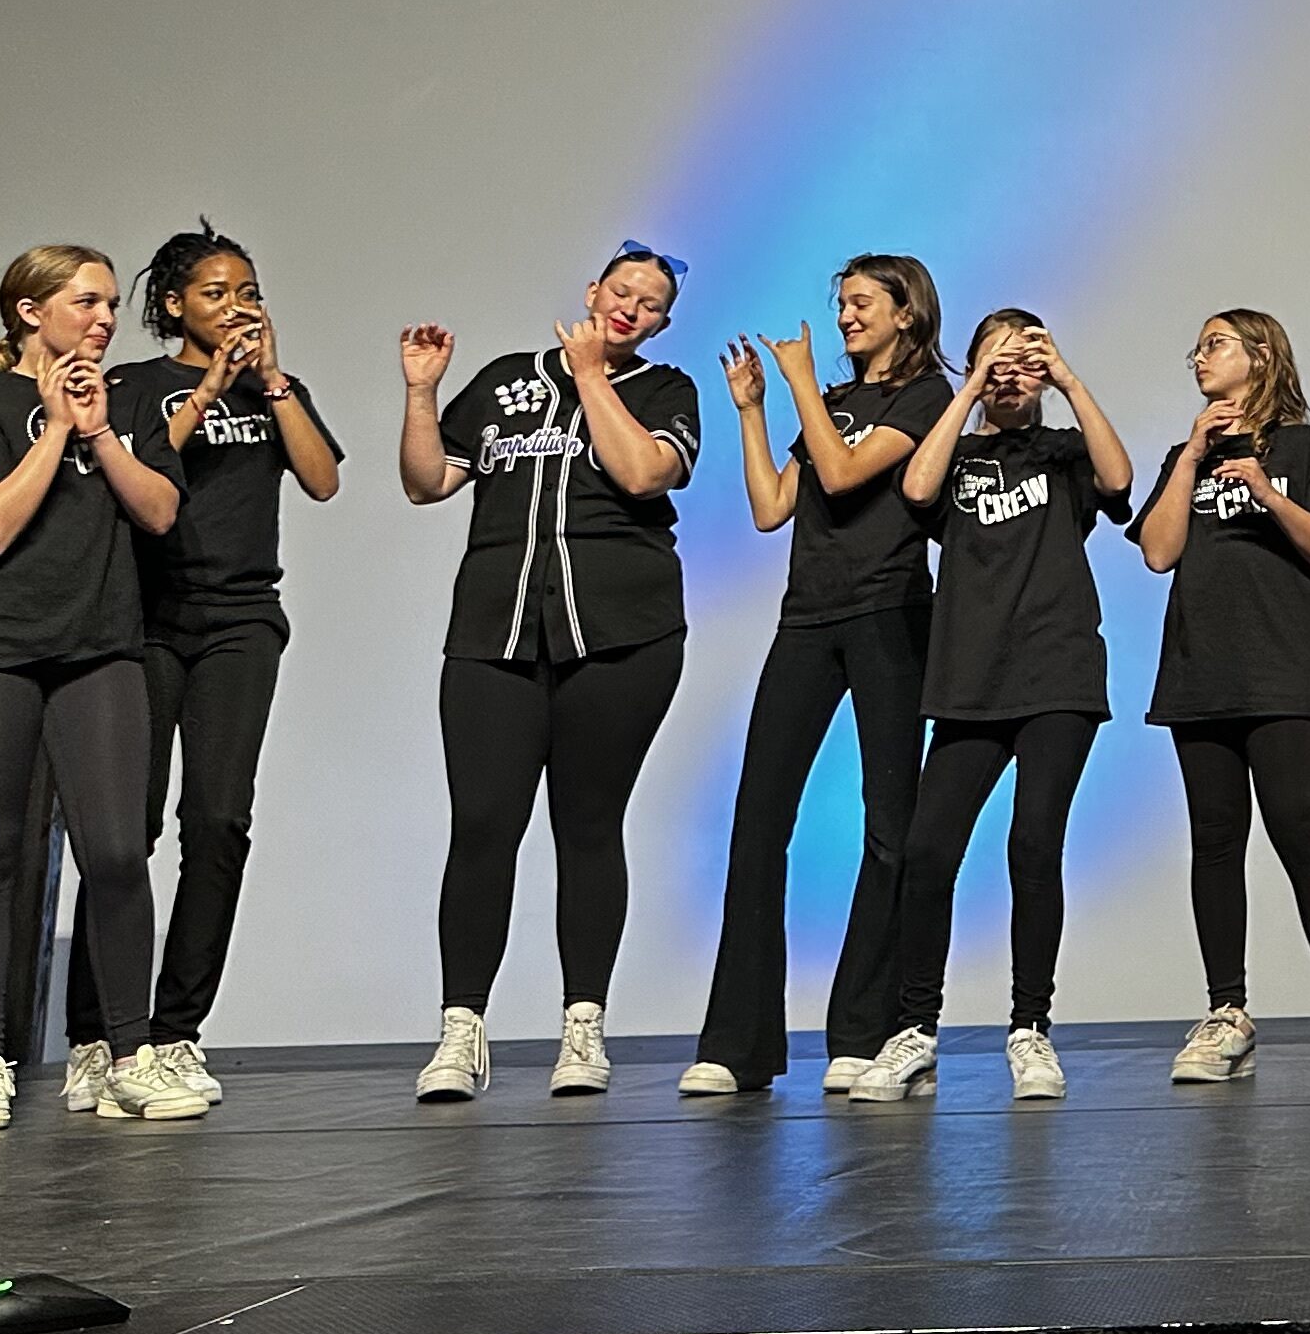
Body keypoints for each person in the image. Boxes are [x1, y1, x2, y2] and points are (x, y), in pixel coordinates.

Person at [397, 247, 704, 1103]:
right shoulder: (502, 381)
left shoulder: (665, 390)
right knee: (484, 824)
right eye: (621, 293)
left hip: (621, 636)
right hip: (495, 637)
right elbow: (427, 481)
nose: (631, 310)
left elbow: (644, 473)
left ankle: (583, 1028)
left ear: (661, 323)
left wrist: (590, 377)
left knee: (589, 824)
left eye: (650, 305)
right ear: (591, 292)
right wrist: (423, 392)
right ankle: (461, 1030)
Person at [58, 225, 341, 1114]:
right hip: (143, 620)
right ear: (175, 305)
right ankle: (97, 1036)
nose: (238, 305)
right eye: (217, 292)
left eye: (248, 290)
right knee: (123, 832)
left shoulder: (273, 391)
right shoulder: (137, 385)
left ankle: (176, 1033)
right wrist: (210, 386)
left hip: (242, 620)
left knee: (218, 822)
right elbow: (142, 466)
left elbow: (324, 478)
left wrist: (273, 381)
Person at [0, 245, 201, 1129]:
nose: (105, 318)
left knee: (119, 851)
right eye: (86, 301)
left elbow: (158, 511)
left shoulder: (121, 408)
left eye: (113, 304)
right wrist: (50, 428)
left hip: (99, 646)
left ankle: (129, 1054)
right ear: (29, 311)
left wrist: (96, 430)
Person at [683, 259, 952, 1098]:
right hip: (807, 618)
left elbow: (842, 473)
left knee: (889, 824)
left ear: (907, 313)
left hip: (889, 616)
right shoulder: (827, 402)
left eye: (861, 303)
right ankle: (739, 1043)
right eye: (841, 305)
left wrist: (801, 384)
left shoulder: (925, 399)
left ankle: (865, 1031)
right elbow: (774, 506)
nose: (844, 318)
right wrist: (756, 411)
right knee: (757, 821)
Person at [851, 311, 1131, 1105]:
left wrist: (1067, 380)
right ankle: (915, 1032)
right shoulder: (961, 450)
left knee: (1033, 847)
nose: (1011, 372)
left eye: (1024, 358)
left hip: (1057, 675)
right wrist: (973, 386)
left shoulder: (1063, 452)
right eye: (995, 358)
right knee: (928, 851)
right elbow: (916, 488)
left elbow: (1116, 482)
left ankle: (1030, 1029)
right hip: (970, 682)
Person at [1135, 308, 1310, 1086]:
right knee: (1214, 839)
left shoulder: (1305, 450)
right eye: (1198, 345)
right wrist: (1193, 460)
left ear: (1261, 354)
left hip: (1279, 669)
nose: (1198, 357)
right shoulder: (1187, 455)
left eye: (1213, 343)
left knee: (1300, 829)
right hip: (1199, 673)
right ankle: (1226, 1013)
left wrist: (1268, 493)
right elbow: (1157, 551)